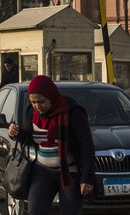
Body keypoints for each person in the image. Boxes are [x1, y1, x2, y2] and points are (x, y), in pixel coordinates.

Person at [8, 75, 96, 215]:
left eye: (41, 101)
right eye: (33, 102)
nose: (37, 106)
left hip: (69, 173)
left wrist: (87, 177)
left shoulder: (72, 112)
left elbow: (86, 146)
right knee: (35, 210)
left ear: (51, 96)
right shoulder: (31, 112)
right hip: (42, 171)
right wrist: (17, 133)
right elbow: (32, 139)